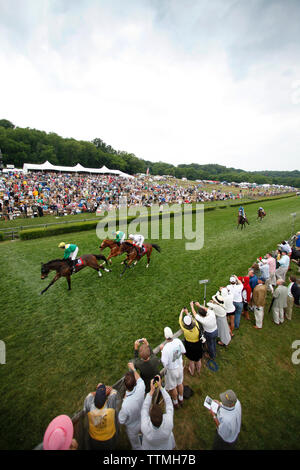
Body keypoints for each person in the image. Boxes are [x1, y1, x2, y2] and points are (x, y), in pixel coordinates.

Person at [140, 376, 176, 450]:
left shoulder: (145, 427)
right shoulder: (169, 423)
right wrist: (161, 387)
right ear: (163, 416)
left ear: (150, 418)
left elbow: (144, 408)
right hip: (166, 446)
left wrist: (151, 392)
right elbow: (169, 403)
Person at [83, 382, 120, 450]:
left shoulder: (90, 407)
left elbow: (89, 396)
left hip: (95, 438)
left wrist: (98, 392)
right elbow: (114, 392)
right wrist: (105, 391)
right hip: (109, 437)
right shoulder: (110, 407)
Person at [118, 363, 145, 450]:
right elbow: (140, 379)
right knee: (145, 436)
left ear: (125, 386)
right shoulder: (141, 387)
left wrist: (124, 399)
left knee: (136, 446)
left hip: (132, 427)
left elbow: (121, 420)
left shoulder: (125, 405)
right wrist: (133, 369)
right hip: (143, 419)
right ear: (135, 383)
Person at [160, 327, 186, 409]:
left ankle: (175, 403)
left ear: (165, 337)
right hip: (180, 367)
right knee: (180, 383)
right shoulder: (178, 341)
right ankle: (181, 399)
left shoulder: (165, 348)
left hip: (171, 371)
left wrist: (161, 351)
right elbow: (183, 351)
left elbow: (164, 363)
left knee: (173, 387)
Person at [178, 308, 203, 376]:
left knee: (191, 360)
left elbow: (180, 320)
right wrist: (187, 313)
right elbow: (192, 319)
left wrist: (182, 311)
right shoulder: (196, 325)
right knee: (198, 359)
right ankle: (198, 370)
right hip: (198, 344)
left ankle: (192, 372)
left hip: (189, 345)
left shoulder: (185, 329)